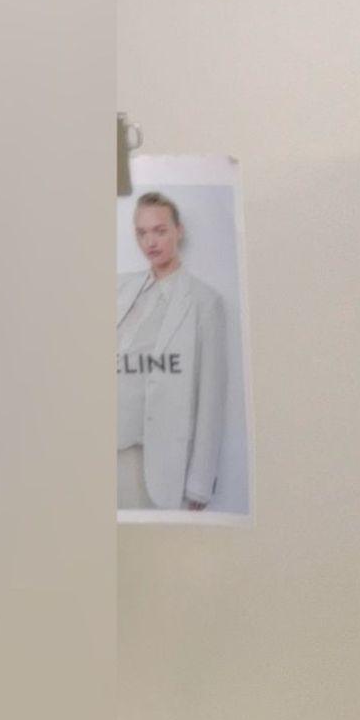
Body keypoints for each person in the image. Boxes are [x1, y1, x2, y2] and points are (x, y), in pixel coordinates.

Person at [116, 191, 228, 512]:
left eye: (160, 231)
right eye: (142, 233)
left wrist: (200, 485)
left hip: (152, 463)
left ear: (179, 231)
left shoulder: (204, 302)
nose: (150, 242)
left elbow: (211, 397)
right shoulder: (118, 288)